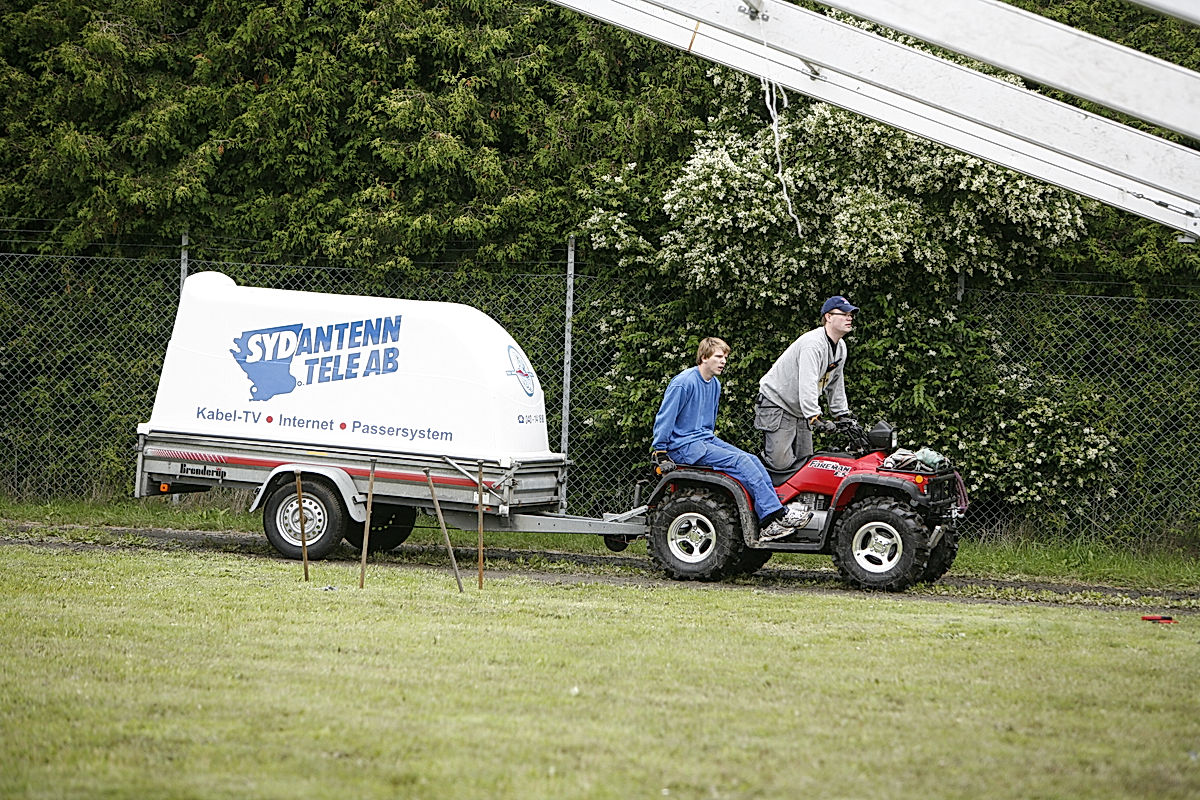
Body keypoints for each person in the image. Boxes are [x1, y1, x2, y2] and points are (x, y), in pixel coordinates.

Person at [652, 337, 809, 541]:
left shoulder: (714, 384)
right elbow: (665, 416)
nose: (723, 361)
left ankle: (770, 513)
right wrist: (660, 450)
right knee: (741, 462)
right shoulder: (683, 383)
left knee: (751, 459)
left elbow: (708, 423)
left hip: (704, 439)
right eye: (718, 356)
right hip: (684, 445)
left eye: (725, 357)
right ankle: (773, 517)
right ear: (704, 357)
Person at [755, 295, 859, 473]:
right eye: (844, 313)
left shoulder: (840, 346)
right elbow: (808, 382)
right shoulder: (813, 344)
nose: (849, 317)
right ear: (828, 317)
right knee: (780, 465)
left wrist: (841, 414)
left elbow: (836, 382)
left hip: (800, 408)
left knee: (805, 462)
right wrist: (814, 416)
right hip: (777, 403)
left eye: (851, 314)